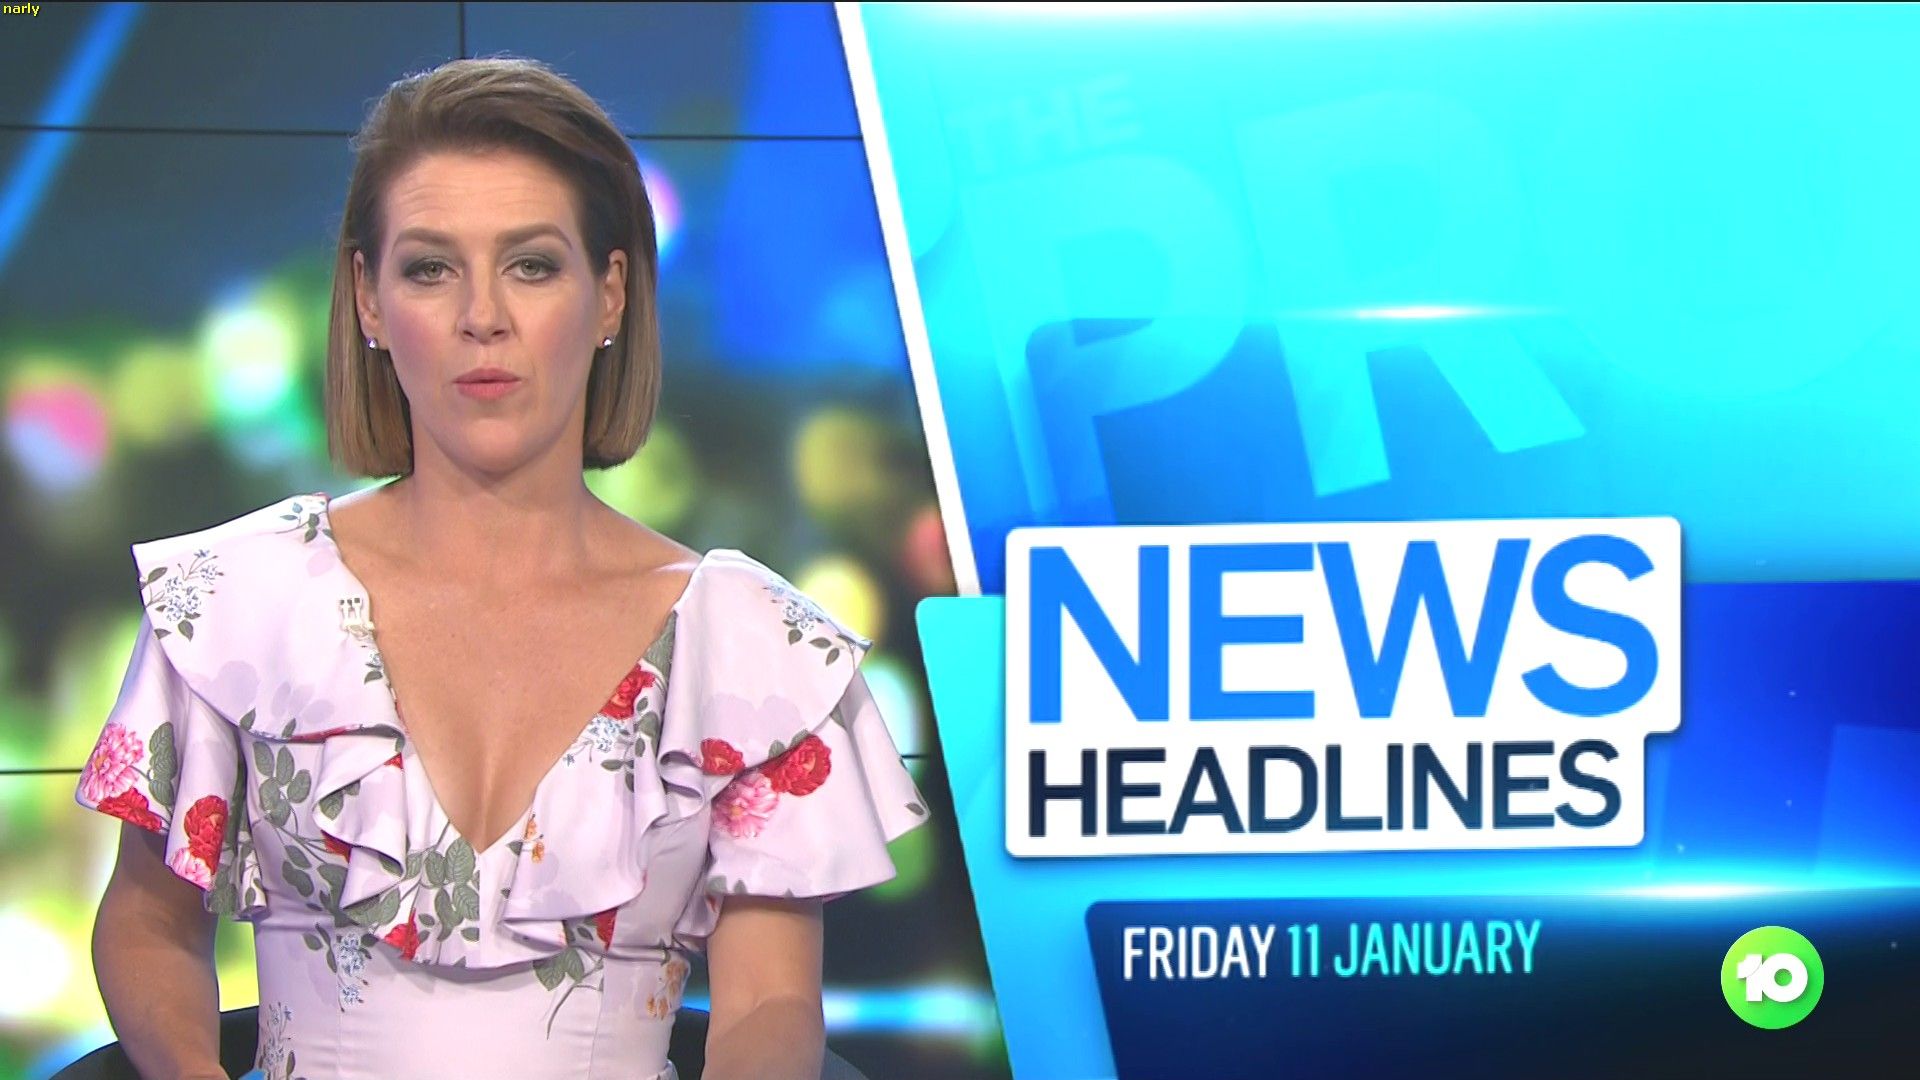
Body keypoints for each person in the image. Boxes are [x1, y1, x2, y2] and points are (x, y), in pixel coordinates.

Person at [77, 57, 928, 1080]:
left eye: (530, 265)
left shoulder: (752, 648)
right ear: (369, 301)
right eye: (431, 269)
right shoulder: (234, 605)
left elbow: (771, 1001)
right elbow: (147, 926)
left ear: (610, 295)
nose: (483, 315)